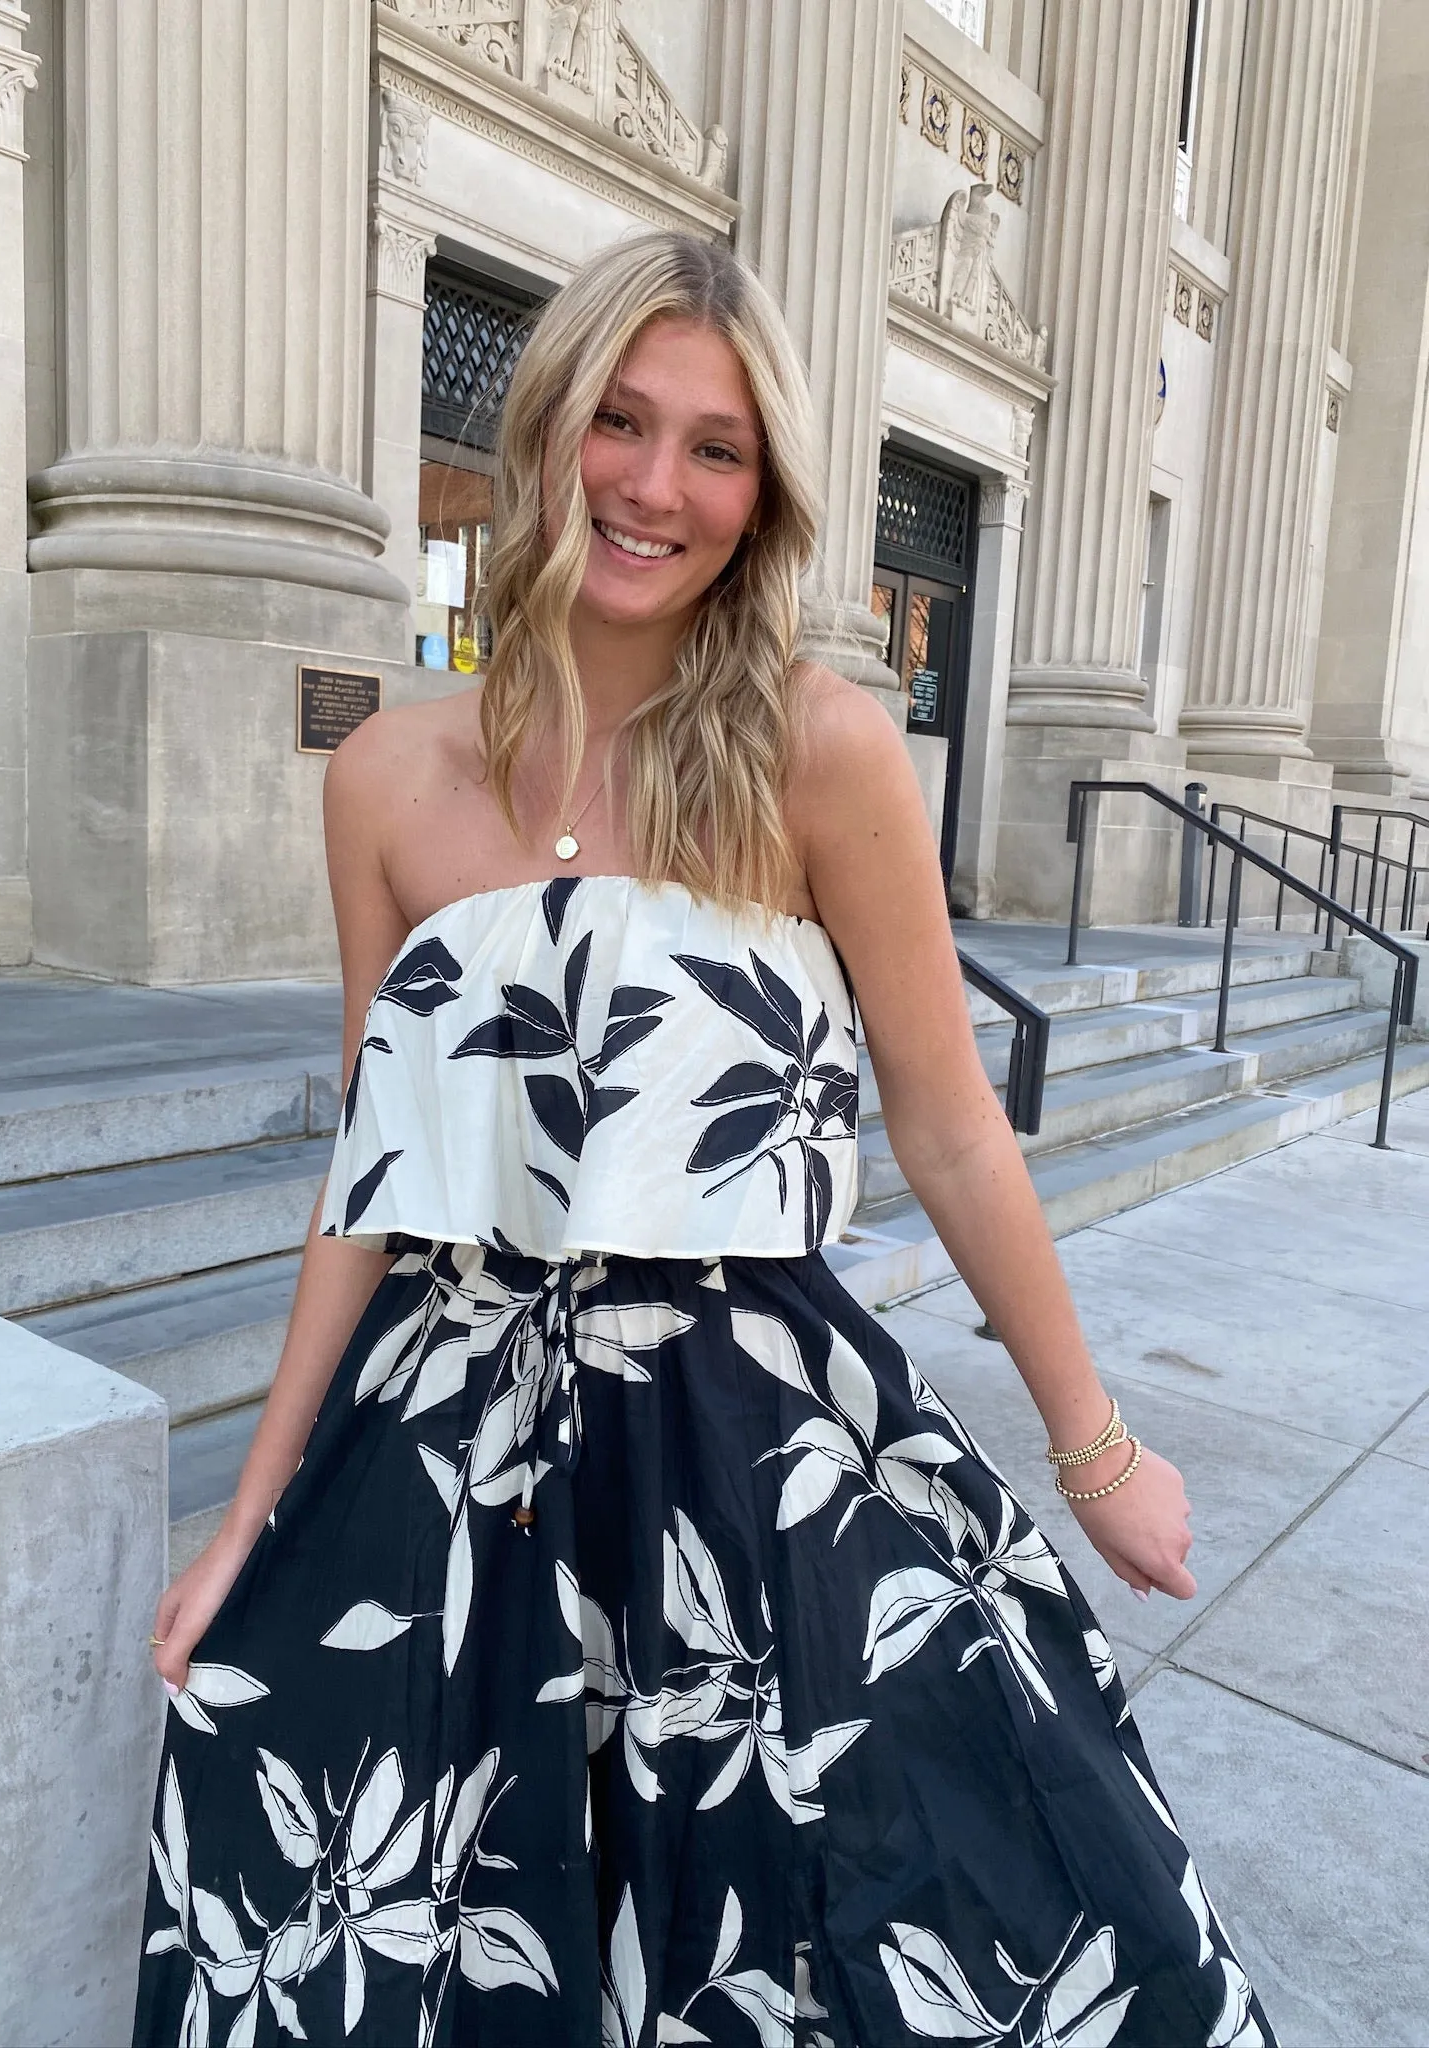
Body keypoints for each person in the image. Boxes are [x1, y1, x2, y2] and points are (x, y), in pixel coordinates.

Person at [134, 231, 1276, 2048]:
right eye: (621, 420)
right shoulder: (383, 783)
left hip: (743, 1440)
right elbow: (370, 1169)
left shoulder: (820, 753)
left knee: (838, 1915)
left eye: (716, 448)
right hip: (453, 1441)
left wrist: (1094, 1443)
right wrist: (250, 1514)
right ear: (547, 430)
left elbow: (953, 1122)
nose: (655, 486)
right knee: (431, 1925)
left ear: (765, 496)